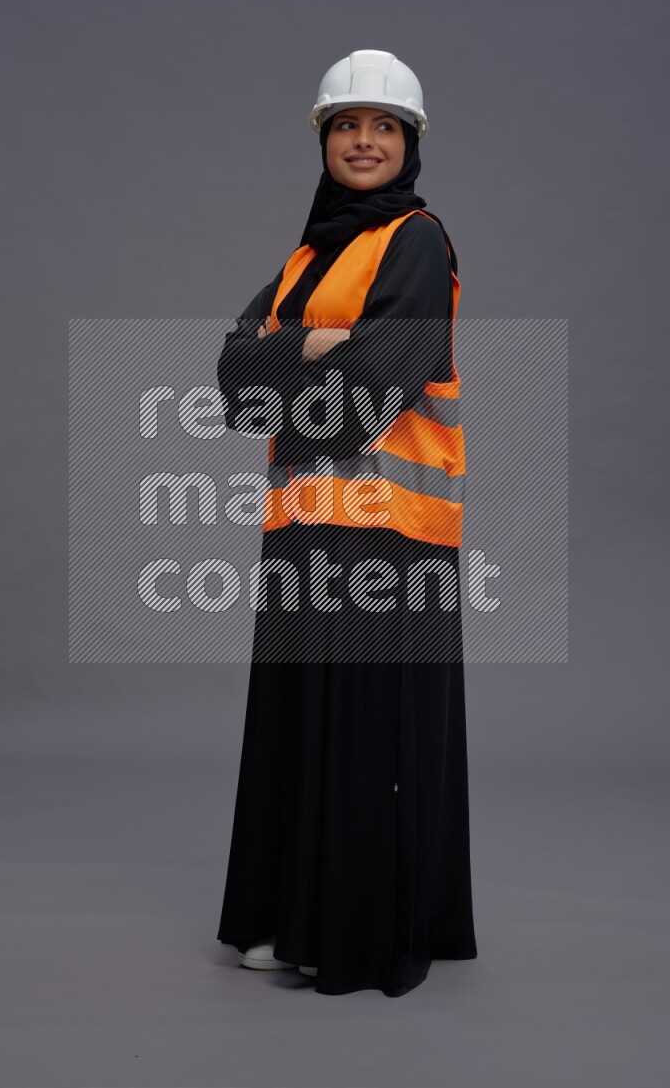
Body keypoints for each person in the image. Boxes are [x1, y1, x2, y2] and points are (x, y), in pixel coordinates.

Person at [215, 50, 477, 997]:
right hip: (300, 530)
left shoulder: (417, 239)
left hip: (391, 534)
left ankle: (353, 936)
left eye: (384, 127)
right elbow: (231, 387)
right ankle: (287, 919)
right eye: (345, 125)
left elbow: (370, 394)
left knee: (367, 737)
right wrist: (309, 345)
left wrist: (287, 358)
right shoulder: (304, 258)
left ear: (408, 144)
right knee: (296, 726)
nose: (363, 142)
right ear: (323, 139)